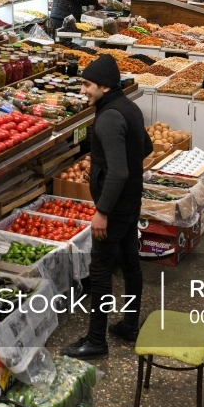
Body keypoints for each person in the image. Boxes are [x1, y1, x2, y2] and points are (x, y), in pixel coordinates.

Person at [63, 55, 153, 359]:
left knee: (100, 271)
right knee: (129, 262)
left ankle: (96, 339)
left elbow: (119, 171)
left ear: (103, 86)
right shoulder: (129, 106)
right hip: (129, 202)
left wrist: (102, 211)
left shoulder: (108, 118)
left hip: (114, 208)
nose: (83, 91)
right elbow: (147, 147)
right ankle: (129, 324)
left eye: (87, 85)